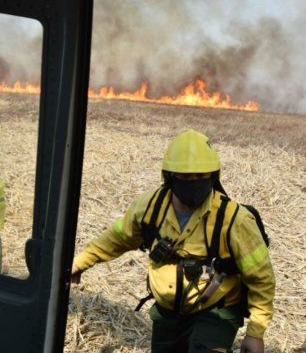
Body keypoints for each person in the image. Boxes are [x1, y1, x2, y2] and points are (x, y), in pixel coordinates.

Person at [71, 129, 275, 353]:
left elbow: (261, 278)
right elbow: (117, 238)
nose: (193, 183)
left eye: (201, 176)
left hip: (216, 309)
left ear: (213, 176)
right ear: (169, 177)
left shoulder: (234, 219)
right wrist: (81, 262)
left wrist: (255, 333)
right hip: (168, 311)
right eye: (185, 176)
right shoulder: (149, 208)